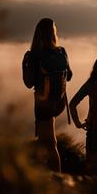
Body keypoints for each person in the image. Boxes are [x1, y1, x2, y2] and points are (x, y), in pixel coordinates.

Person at [22, 18, 72, 172]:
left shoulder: (33, 55)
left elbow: (29, 83)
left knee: (49, 144)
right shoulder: (61, 51)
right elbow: (69, 76)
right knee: (49, 141)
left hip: (43, 104)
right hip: (59, 103)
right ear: (53, 33)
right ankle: (50, 174)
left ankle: (56, 177)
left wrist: (25, 65)